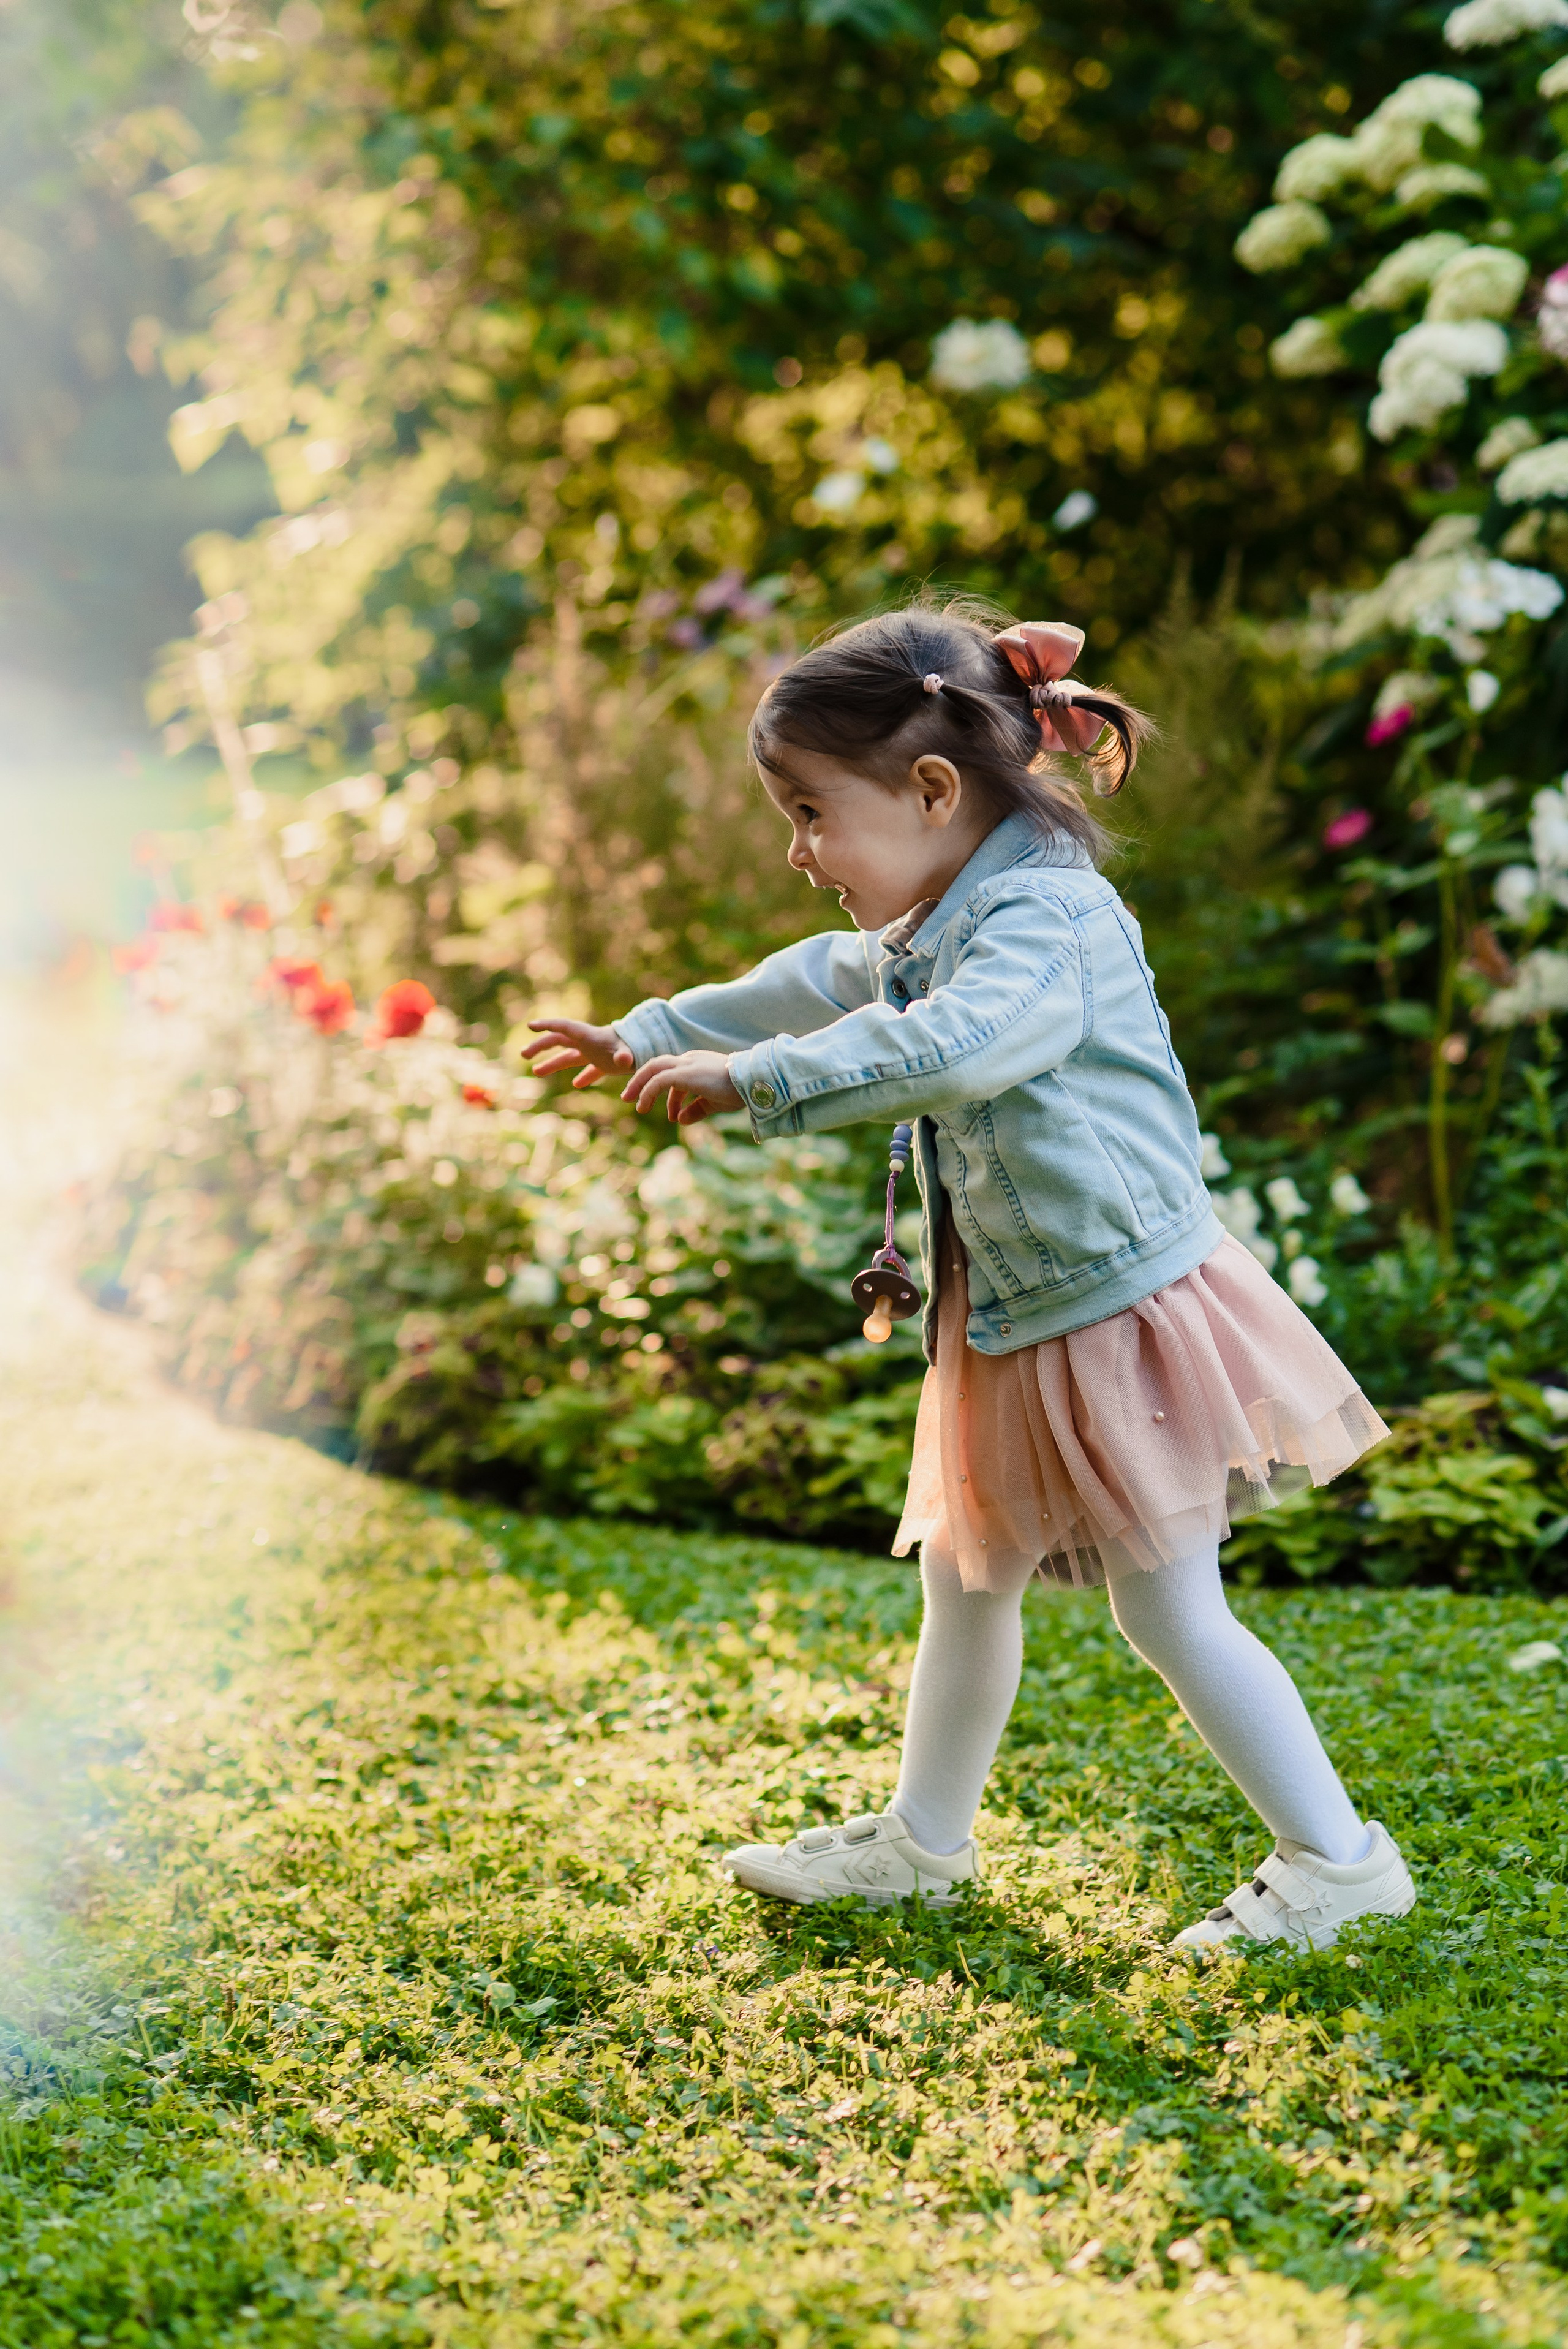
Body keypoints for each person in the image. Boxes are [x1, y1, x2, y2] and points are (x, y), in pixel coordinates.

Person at [523, 598, 1415, 1956]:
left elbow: (952, 1048)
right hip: (1014, 1312)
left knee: (1165, 1604)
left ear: (932, 789)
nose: (799, 849)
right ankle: (924, 1841)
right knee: (964, 1577)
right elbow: (821, 976)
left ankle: (1336, 1859)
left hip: (1114, 1308)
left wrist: (749, 1083)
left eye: (814, 814)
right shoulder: (943, 910)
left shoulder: (1042, 927)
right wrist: (654, 1030)